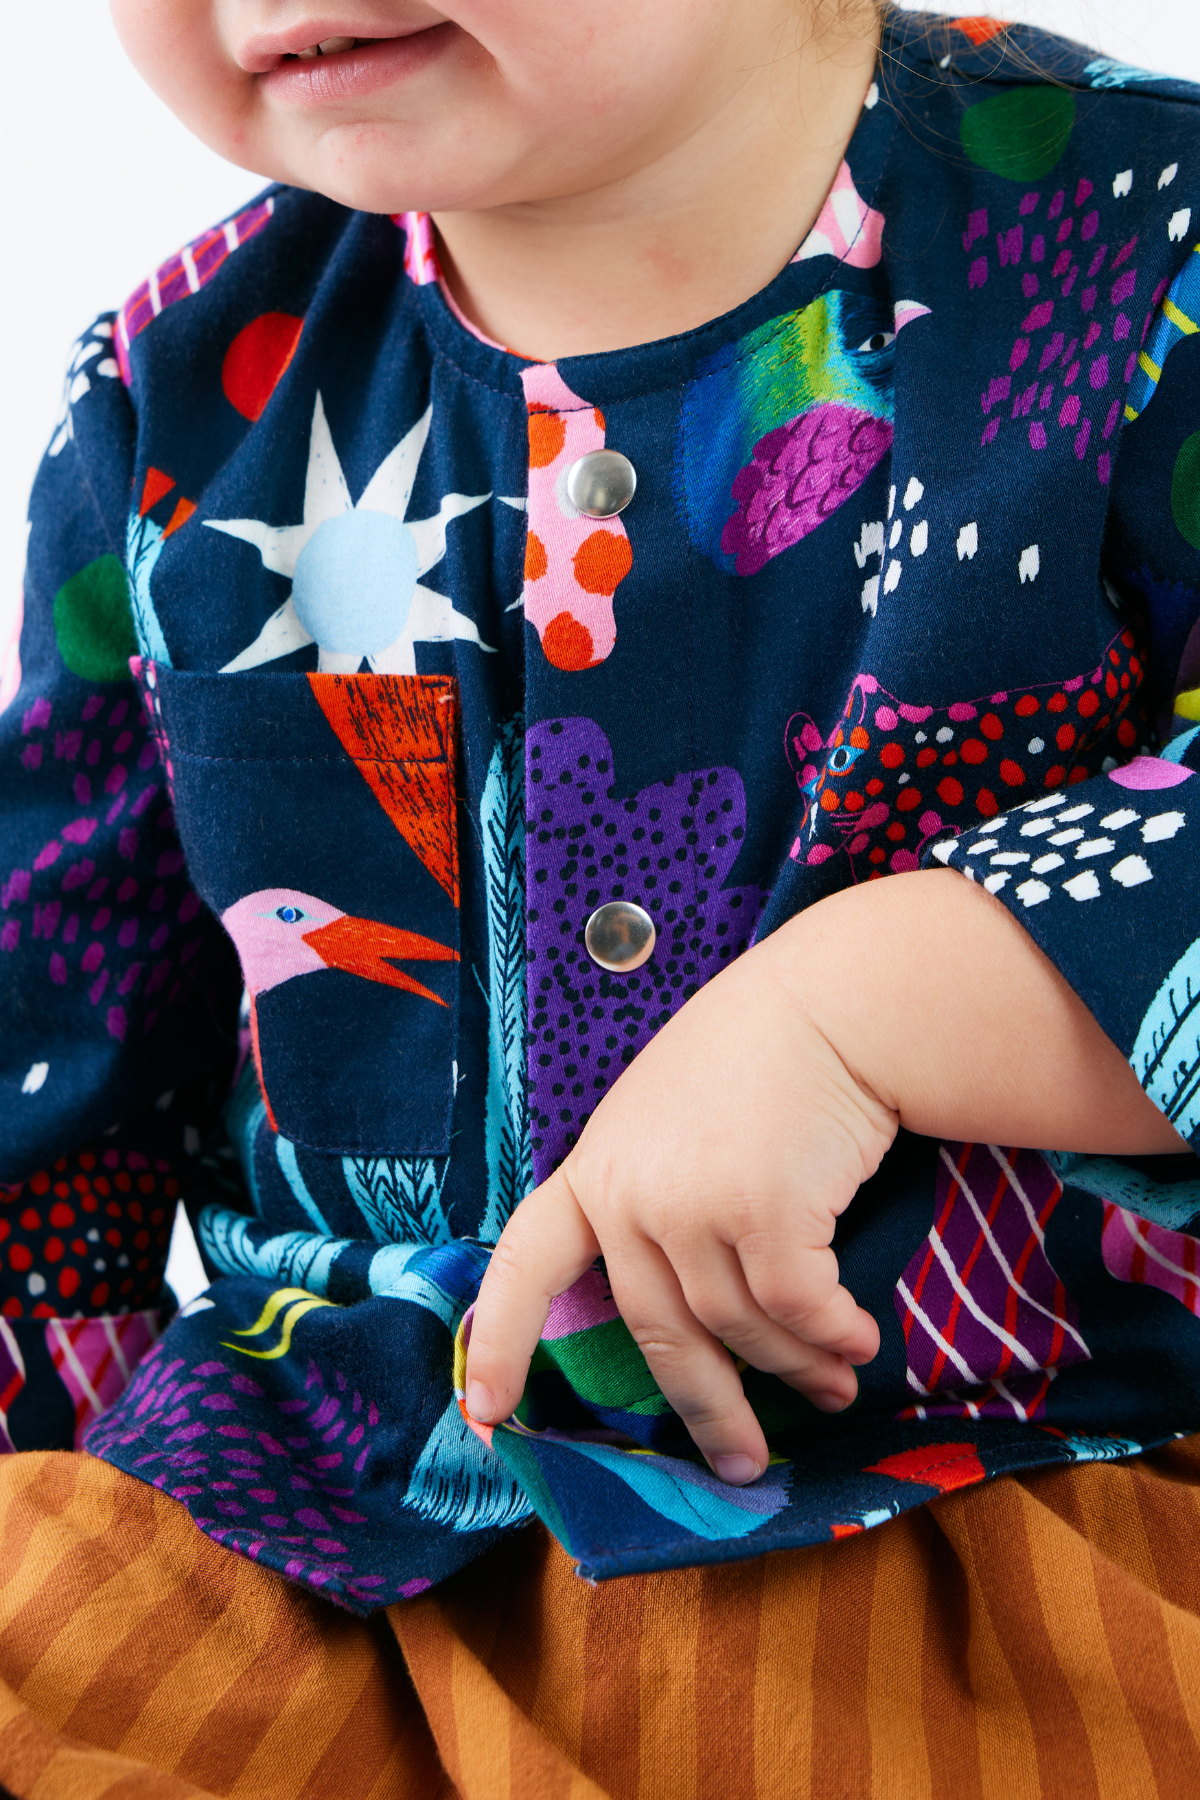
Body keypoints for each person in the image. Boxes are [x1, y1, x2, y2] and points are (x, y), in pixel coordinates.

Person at [3, 0, 1200, 1791]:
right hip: (309, 1506)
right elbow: (51, 1075)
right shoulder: (177, 394)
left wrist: (868, 1007)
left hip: (986, 1491)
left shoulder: (1137, 243)